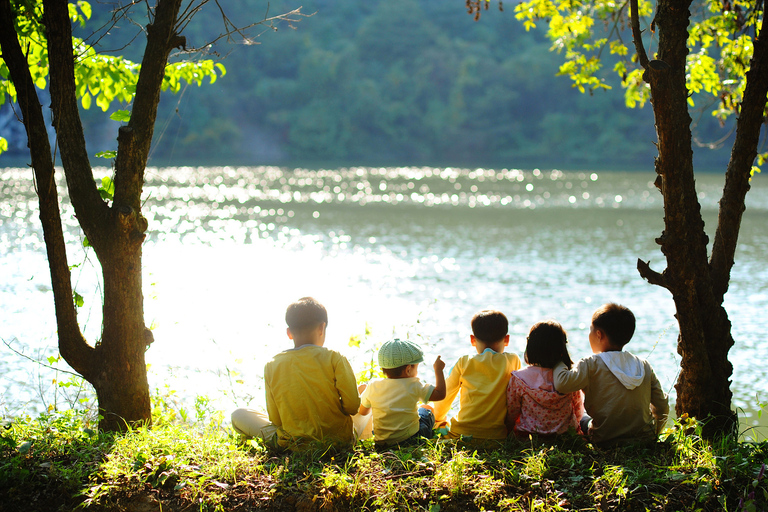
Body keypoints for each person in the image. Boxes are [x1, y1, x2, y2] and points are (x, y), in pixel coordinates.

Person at [230, 297, 363, 451]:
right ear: (322, 328)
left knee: (238, 415)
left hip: (293, 445)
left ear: (289, 333)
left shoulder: (272, 365)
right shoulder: (335, 358)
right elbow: (353, 407)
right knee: (365, 402)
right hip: (339, 442)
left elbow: (276, 419)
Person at [553, 303, 669, 446]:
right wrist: (654, 433)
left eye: (590, 330)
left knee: (582, 418)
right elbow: (662, 406)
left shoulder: (591, 364)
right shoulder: (643, 365)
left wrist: (558, 360)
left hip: (605, 440)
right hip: (643, 440)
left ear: (598, 335)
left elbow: (562, 384)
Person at [432, 309, 522, 440]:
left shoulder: (464, 362)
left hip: (461, 435)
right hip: (497, 437)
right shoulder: (513, 361)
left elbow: (445, 396)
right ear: (507, 339)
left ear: (472, 340)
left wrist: (439, 419)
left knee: (427, 410)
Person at [358, 338, 446, 447]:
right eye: (416, 367)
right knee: (427, 409)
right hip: (412, 441)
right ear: (408, 369)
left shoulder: (373, 386)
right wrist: (438, 370)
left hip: (382, 444)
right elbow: (440, 394)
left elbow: (363, 412)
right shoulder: (413, 385)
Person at [506, 320, 585, 437]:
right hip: (565, 436)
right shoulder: (566, 378)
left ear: (531, 346)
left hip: (528, 437)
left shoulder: (519, 379)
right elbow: (578, 408)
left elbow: (512, 412)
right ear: (562, 348)